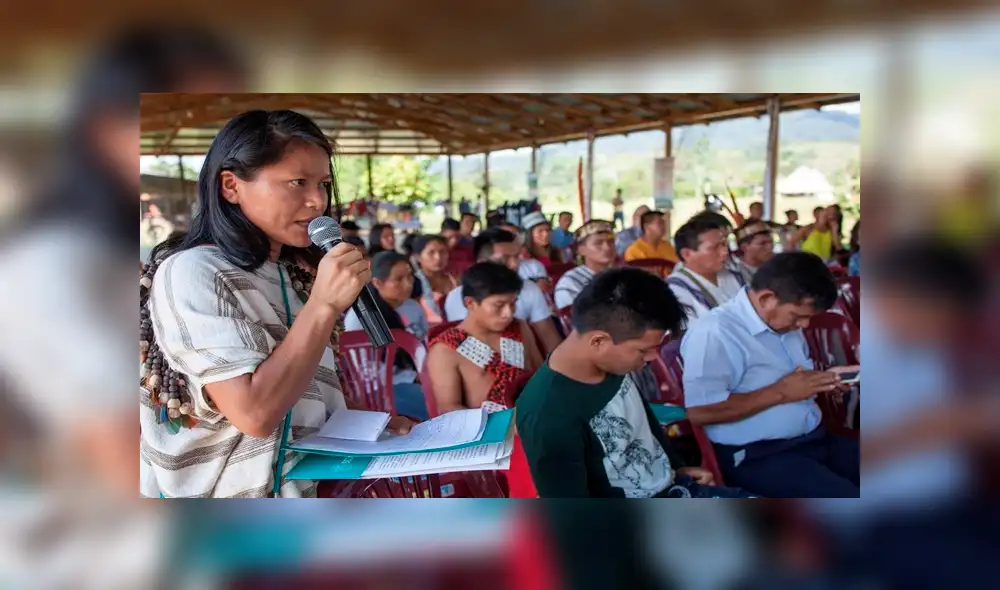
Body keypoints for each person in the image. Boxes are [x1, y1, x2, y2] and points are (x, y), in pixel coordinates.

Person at [138, 110, 413, 498]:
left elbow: (307, 394)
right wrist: (322, 305)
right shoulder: (193, 272)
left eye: (323, 184)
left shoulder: (291, 274)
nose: (317, 201)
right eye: (297, 182)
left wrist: (374, 428)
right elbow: (254, 413)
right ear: (231, 186)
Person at [516, 267, 754, 498]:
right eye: (644, 350)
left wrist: (675, 469)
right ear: (599, 341)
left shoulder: (612, 362)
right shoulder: (547, 413)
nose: (652, 358)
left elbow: (645, 426)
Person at [682, 252, 859, 498]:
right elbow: (700, 412)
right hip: (759, 455)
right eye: (799, 316)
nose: (805, 326)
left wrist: (821, 381)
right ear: (766, 298)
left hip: (814, 440)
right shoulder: (715, 333)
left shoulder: (783, 321)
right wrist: (781, 393)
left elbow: (789, 379)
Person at [427, 263, 543, 414]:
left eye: (513, 303)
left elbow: (542, 376)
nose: (508, 313)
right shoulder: (444, 350)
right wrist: (505, 425)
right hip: (487, 433)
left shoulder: (519, 327)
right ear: (471, 303)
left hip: (533, 421)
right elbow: (448, 409)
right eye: (499, 305)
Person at [443, 228, 563, 355]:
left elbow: (551, 342)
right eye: (505, 259)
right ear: (481, 263)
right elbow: (467, 349)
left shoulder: (529, 290)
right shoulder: (457, 297)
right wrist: (507, 370)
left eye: (517, 257)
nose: (514, 264)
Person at [344, 251, 430, 421]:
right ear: (377, 283)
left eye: (409, 277)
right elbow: (360, 366)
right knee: (432, 404)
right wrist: (412, 377)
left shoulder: (413, 307)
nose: (407, 284)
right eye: (398, 279)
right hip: (380, 387)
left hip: (415, 377)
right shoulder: (360, 317)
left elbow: (425, 343)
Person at [666, 215, 744, 325]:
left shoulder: (734, 276)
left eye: (724, 244)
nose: (725, 252)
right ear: (687, 254)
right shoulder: (674, 289)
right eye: (714, 248)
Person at [553, 220, 615, 309]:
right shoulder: (570, 283)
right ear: (581, 250)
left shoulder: (625, 275)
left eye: (611, 241)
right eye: (598, 243)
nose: (607, 247)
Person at [411, 234, 459, 323]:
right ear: (418, 257)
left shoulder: (455, 281)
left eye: (442, 252)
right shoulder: (413, 284)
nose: (438, 257)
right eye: (431, 252)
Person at [734, 220, 776, 284]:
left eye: (771, 242)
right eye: (763, 243)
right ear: (744, 247)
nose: (770, 247)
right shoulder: (736, 275)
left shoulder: (778, 265)